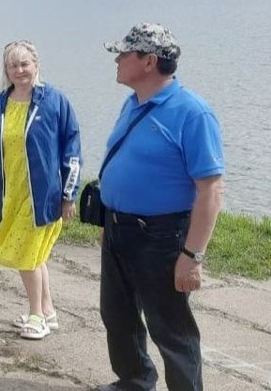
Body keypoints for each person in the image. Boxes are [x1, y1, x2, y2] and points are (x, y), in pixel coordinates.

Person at [96, 24, 224, 391]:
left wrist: (192, 255)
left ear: (149, 61)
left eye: (124, 53)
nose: (117, 60)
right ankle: (135, 379)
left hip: (161, 236)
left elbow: (211, 190)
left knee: (171, 327)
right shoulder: (133, 101)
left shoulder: (192, 113)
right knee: (117, 316)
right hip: (119, 228)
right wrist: (111, 217)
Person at [0, 40, 81, 339]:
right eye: (13, 65)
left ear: (36, 65)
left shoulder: (54, 102)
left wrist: (68, 195)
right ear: (6, 70)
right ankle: (48, 312)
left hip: (41, 196)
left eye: (25, 64)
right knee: (35, 256)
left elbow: (71, 148)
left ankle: (36, 315)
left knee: (27, 254)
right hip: (10, 193)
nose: (19, 70)